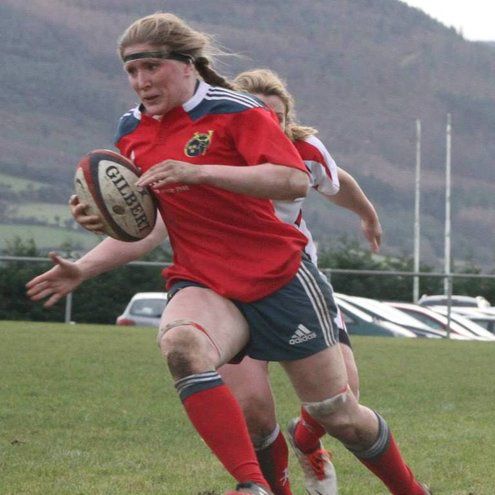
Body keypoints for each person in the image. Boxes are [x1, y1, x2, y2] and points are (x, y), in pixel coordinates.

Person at [26, 12, 430, 495]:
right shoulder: (131, 130)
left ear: (187, 64)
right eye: (132, 72)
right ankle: (252, 486)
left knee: (336, 414)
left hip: (278, 277)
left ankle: (411, 491)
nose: (141, 81)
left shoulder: (236, 110)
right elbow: (151, 225)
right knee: (183, 348)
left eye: (151, 67)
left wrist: (200, 172)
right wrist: (87, 259)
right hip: (204, 282)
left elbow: (292, 179)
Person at [216, 68, 382, 495]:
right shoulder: (214, 153)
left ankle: (307, 440)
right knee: (252, 409)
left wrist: (366, 213)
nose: (270, 125)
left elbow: (335, 179)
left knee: (343, 400)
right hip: (232, 286)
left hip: (296, 279)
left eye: (279, 116)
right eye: (259, 115)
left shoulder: (304, 148)